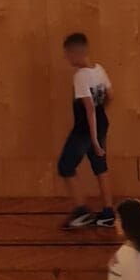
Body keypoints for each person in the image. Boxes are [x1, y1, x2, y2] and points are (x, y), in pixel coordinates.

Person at [56, 32, 114, 232]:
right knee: (100, 167)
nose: (66, 58)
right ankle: (108, 213)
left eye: (67, 54)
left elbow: (89, 109)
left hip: (85, 130)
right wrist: (101, 113)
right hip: (101, 124)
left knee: (65, 166)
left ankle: (81, 211)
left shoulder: (80, 76)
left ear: (75, 53)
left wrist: (94, 139)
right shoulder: (99, 69)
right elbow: (110, 95)